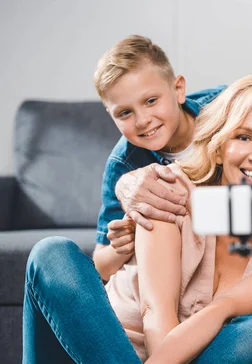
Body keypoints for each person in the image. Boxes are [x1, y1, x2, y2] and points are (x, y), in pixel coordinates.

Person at [22, 74, 252, 364]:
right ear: (220, 146)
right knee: (51, 253)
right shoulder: (167, 189)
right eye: (243, 137)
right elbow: (157, 310)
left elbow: (223, 309)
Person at [91, 34, 225, 281]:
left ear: (178, 89)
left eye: (151, 101)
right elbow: (101, 264)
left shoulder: (226, 108)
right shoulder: (122, 164)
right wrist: (122, 246)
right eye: (124, 113)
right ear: (111, 115)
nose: (142, 120)